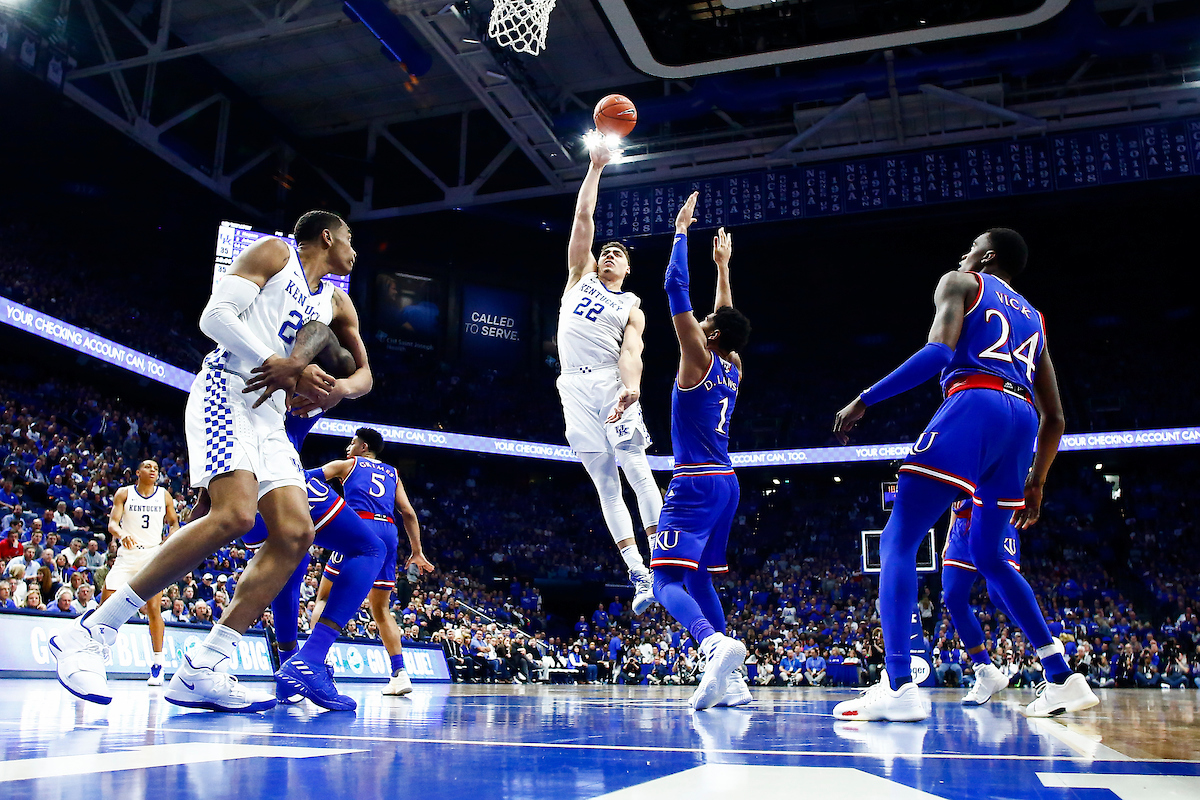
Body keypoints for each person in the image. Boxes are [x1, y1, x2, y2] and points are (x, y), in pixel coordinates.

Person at [50, 210, 371, 712]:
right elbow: (214, 317)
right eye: (350, 239)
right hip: (228, 391)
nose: (355, 250)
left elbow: (366, 374)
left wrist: (337, 392)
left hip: (270, 416)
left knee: (295, 535)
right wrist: (278, 363)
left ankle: (204, 667)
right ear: (326, 237)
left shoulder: (336, 302)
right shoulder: (275, 254)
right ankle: (93, 631)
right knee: (235, 516)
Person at [831, 228, 1098, 721]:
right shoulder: (1035, 319)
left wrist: (864, 399)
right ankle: (1061, 675)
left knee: (898, 541)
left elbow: (937, 353)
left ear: (987, 256)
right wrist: (1037, 480)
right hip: (1022, 424)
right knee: (991, 558)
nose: (963, 252)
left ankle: (897, 685)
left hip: (975, 402)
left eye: (971, 246)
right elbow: (1056, 417)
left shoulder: (962, 282)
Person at [651, 193, 753, 712]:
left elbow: (674, 288)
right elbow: (726, 316)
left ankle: (711, 643)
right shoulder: (733, 364)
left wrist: (680, 231)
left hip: (694, 481)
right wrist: (723, 267)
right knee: (698, 576)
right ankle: (733, 682)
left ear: (709, 333)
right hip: (726, 482)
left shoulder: (697, 356)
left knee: (663, 579)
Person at [558, 140, 663, 615]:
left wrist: (631, 389)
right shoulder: (578, 274)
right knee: (605, 485)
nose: (608, 254)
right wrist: (596, 168)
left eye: (617, 253)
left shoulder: (631, 303)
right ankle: (637, 572)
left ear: (627, 267)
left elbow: (632, 350)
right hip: (571, 386)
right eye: (605, 250)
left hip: (610, 384)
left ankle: (665, 559)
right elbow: (584, 218)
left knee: (637, 470)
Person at [312, 427, 435, 696]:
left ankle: (317, 664)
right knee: (381, 609)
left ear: (364, 447)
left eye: (352, 442)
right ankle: (400, 673)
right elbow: (408, 513)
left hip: (359, 527)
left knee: (323, 597)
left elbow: (307, 479)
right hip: (388, 533)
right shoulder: (393, 473)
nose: (348, 447)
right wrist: (417, 551)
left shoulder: (349, 464)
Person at [102, 460, 179, 686]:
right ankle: (99, 651)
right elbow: (112, 524)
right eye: (147, 466)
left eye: (155, 467)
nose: (153, 470)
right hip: (128, 555)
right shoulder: (124, 493)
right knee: (106, 605)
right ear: (138, 472)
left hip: (152, 555)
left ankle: (157, 663)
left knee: (154, 609)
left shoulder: (164, 495)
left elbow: (174, 524)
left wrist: (170, 540)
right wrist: (122, 534)